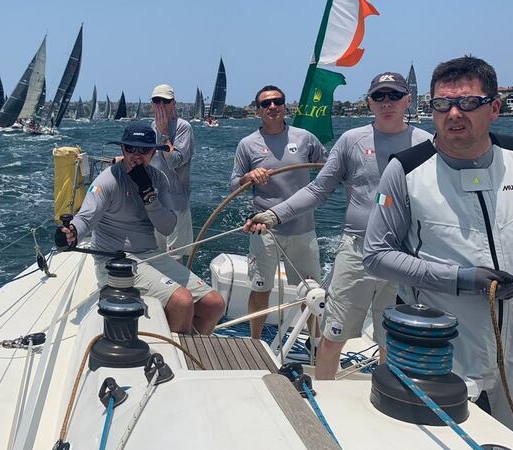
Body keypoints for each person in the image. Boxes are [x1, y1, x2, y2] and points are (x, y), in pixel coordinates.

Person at [363, 55, 513, 449]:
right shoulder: (405, 170)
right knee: (442, 440)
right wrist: (459, 279)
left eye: (468, 102)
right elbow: (376, 253)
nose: (454, 113)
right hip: (445, 339)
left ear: (494, 108)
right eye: (442, 104)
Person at [245, 72, 432, 378]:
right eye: (380, 96)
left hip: (406, 256)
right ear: (369, 102)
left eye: (395, 95)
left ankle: (385, 397)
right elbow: (318, 189)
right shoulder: (351, 141)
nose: (387, 103)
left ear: (408, 100)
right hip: (358, 251)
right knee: (332, 337)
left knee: (392, 340)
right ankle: (323, 404)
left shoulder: (427, 144)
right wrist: (274, 215)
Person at [57, 122, 225, 334]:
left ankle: (193, 352)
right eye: (130, 149)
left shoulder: (158, 179)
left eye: (144, 150)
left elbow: (167, 227)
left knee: (214, 304)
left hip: (150, 254)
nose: (136, 155)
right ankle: (176, 356)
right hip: (114, 260)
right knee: (182, 301)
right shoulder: (108, 180)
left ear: (154, 152)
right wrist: (71, 233)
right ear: (122, 150)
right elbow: (86, 217)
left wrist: (149, 196)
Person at [230, 85, 325, 340]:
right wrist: (248, 177)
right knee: (260, 288)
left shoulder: (305, 138)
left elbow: (326, 168)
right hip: (265, 229)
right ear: (257, 110)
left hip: (302, 228)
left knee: (310, 291)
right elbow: (233, 184)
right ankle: (255, 342)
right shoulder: (247, 145)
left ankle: (315, 344)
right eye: (266, 103)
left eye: (277, 101)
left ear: (285, 106)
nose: (272, 106)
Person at [149, 84, 195, 264]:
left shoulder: (184, 127)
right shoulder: (152, 126)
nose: (160, 104)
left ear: (173, 104)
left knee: (175, 260)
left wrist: (164, 134)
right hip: (155, 203)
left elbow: (174, 160)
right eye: (156, 100)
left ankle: (184, 292)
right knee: (157, 257)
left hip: (176, 205)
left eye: (165, 101)